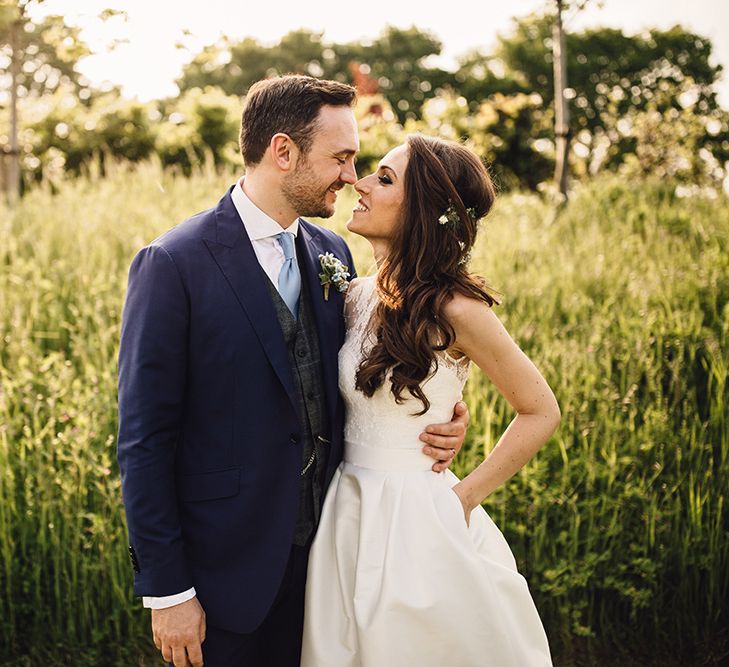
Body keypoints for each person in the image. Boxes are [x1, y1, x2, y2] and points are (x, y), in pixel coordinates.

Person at [116, 76, 470, 667]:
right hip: (222, 575)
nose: (352, 177)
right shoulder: (173, 263)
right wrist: (169, 590)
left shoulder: (334, 251)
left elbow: (371, 370)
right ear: (283, 152)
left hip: (331, 561)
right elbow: (143, 440)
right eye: (342, 158)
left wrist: (442, 417)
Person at [301, 134, 561, 666]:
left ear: (420, 210)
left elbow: (540, 411)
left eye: (385, 178)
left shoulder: (459, 311)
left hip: (416, 515)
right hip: (346, 507)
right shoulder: (354, 294)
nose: (361, 183)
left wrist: (462, 498)